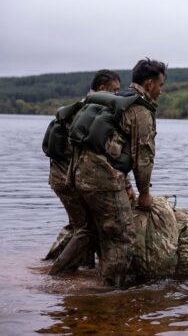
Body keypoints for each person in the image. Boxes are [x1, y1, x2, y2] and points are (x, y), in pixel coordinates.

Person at [49, 58, 166, 287]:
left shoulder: (116, 99)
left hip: (76, 174)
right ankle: (110, 293)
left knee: (89, 228)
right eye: (161, 85)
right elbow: (143, 158)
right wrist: (144, 193)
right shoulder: (140, 110)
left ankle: (55, 276)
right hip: (102, 178)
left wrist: (126, 186)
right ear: (150, 83)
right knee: (121, 235)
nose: (161, 91)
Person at [44, 69, 121, 266]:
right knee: (87, 228)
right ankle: (59, 271)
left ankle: (58, 264)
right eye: (115, 90)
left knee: (80, 226)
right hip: (69, 178)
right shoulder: (91, 112)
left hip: (61, 176)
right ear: (103, 88)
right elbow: (98, 152)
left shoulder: (80, 107)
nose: (117, 95)